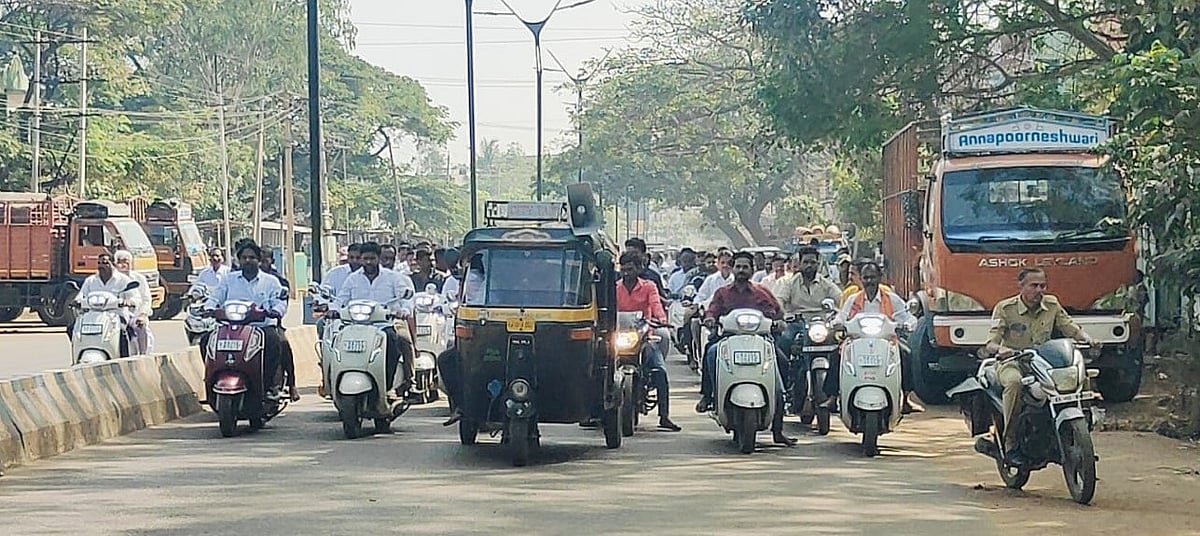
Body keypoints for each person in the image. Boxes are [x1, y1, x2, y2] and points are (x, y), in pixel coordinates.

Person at [982, 267, 1098, 465]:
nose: (1039, 290)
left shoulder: (1051, 304)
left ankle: (1082, 432)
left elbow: (1071, 328)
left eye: (1042, 286)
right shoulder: (1005, 308)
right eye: (1034, 286)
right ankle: (1010, 442)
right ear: (1021, 286)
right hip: (1014, 362)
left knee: (1080, 376)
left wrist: (1088, 339)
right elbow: (991, 342)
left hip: (1044, 362)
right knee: (1014, 383)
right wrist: (1001, 350)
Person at [695, 251, 796, 446]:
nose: (741, 270)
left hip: (761, 340)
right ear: (733, 269)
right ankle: (709, 395)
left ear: (752, 269)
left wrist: (779, 323)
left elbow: (778, 312)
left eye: (745, 267)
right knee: (711, 352)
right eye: (738, 266)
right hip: (728, 339)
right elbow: (712, 310)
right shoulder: (722, 293)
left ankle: (778, 428)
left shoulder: (762, 292)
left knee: (782, 363)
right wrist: (710, 319)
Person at [827, 261, 924, 414]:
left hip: (887, 342)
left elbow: (906, 316)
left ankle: (906, 399)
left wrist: (909, 324)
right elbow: (841, 316)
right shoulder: (853, 299)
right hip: (856, 342)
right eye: (866, 278)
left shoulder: (892, 299)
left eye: (872, 277)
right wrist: (837, 323)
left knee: (906, 354)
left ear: (880, 277)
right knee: (835, 356)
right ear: (861, 279)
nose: (869, 281)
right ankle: (832, 398)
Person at [204, 242, 288, 397]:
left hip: (260, 327)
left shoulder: (271, 281)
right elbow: (216, 296)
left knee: (274, 341)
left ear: (259, 260)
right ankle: (211, 379)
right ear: (239, 260)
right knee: (206, 340)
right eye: (244, 257)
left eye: (252, 257)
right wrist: (209, 308)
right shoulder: (229, 279)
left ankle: (269, 385)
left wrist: (275, 311)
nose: (247, 260)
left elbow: (279, 301)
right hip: (231, 327)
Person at [335, 241, 416, 400]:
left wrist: (404, 311)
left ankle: (397, 383)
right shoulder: (352, 279)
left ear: (378, 258)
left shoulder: (393, 278)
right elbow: (341, 299)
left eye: (372, 258)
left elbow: (406, 299)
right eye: (365, 259)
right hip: (357, 325)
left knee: (399, 341)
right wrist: (333, 309)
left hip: (386, 324)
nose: (368, 262)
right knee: (336, 341)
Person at [616, 250, 681, 432]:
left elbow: (656, 305)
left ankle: (664, 416)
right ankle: (594, 413)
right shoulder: (615, 288)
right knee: (598, 367)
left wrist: (661, 319)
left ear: (639, 269)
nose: (626, 273)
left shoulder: (649, 286)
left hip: (643, 336)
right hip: (618, 337)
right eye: (623, 269)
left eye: (630, 269)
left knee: (659, 370)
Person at [774, 246, 841, 356]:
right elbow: (779, 300)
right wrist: (783, 316)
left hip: (822, 324)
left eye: (813, 262)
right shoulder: (790, 284)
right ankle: (785, 367)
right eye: (805, 262)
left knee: (838, 344)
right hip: (797, 323)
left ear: (818, 264)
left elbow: (841, 300)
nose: (809, 265)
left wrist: (839, 316)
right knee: (785, 339)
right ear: (800, 264)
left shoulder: (826, 284)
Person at [69, 252, 137, 356]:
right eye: (99, 263)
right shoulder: (90, 281)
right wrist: (76, 301)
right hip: (93, 316)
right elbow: (81, 295)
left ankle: (124, 358)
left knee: (124, 332)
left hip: (116, 316)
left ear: (113, 264)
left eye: (105, 263)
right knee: (72, 328)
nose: (101, 266)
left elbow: (134, 297)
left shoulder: (123, 280)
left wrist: (128, 301)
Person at [261, 247, 299, 401]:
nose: (261, 264)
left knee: (282, 344)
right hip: (244, 324)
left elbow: (282, 303)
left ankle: (292, 384)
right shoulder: (237, 278)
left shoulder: (278, 281)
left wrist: (274, 311)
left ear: (272, 261)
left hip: (270, 323)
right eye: (259, 260)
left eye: (265, 260)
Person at [113, 250, 153, 354]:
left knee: (140, 327)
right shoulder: (112, 280)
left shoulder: (139, 279)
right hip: (115, 315)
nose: (123, 265)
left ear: (131, 263)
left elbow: (146, 299)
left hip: (135, 315)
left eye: (126, 261)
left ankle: (143, 354)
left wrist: (142, 315)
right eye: (120, 261)